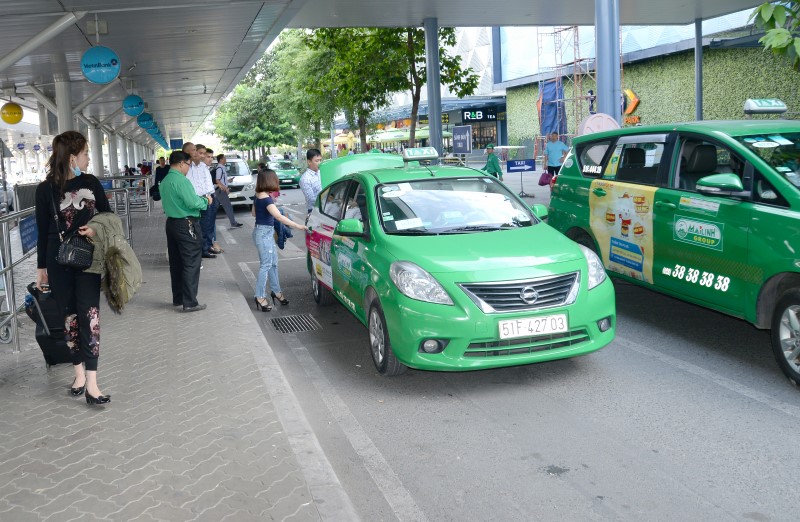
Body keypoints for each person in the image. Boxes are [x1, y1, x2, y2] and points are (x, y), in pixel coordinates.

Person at [34, 130, 112, 405]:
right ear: (71, 157)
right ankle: (78, 372)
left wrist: (94, 228)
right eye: (86, 153)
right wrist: (41, 268)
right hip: (58, 261)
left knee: (90, 316)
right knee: (69, 317)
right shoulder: (45, 189)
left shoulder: (90, 182)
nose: (89, 158)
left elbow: (107, 214)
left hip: (89, 259)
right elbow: (43, 231)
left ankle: (92, 382)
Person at [160, 150, 212, 312]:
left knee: (176, 263)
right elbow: (192, 202)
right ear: (182, 163)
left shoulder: (165, 180)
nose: (189, 168)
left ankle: (178, 298)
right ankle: (190, 302)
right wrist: (205, 201)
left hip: (172, 224)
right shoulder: (182, 181)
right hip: (186, 224)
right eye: (188, 164)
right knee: (191, 262)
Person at [252, 168, 307, 312]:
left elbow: (253, 214)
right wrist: (298, 225)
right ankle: (259, 296)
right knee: (266, 265)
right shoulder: (266, 198)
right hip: (264, 234)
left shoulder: (258, 195)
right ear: (270, 180)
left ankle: (276, 292)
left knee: (273, 264)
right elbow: (279, 217)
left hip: (263, 232)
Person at [183, 142, 219, 258]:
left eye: (205, 154)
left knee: (209, 225)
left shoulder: (203, 166)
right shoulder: (188, 167)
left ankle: (207, 246)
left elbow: (204, 183)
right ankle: (202, 250)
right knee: (202, 226)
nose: (203, 156)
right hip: (200, 199)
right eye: (200, 153)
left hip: (210, 196)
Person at [212, 154, 243, 229]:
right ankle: (233, 223)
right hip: (221, 190)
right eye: (224, 158)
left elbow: (221, 180)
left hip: (219, 190)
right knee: (228, 207)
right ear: (221, 160)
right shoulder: (220, 168)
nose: (225, 160)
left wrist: (228, 181)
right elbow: (217, 180)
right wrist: (225, 188)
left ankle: (210, 223)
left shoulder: (222, 168)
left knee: (214, 208)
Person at [299, 148, 322, 213]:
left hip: (326, 208)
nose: (319, 163)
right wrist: (327, 200)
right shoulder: (305, 179)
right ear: (309, 162)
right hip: (314, 211)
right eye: (317, 161)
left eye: (320, 160)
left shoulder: (321, 172)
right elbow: (311, 200)